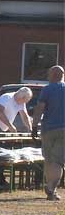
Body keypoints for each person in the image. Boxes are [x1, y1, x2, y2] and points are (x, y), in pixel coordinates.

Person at [32, 66, 65, 201]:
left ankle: (50, 188)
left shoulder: (47, 89)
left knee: (48, 160)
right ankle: (51, 187)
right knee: (58, 161)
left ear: (51, 76)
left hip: (48, 129)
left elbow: (40, 108)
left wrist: (34, 126)